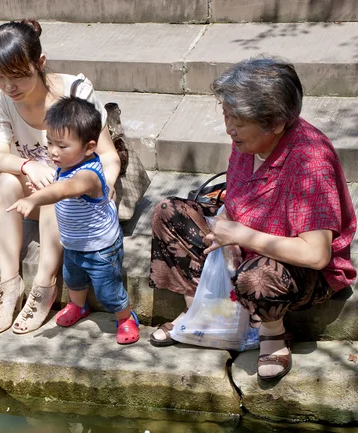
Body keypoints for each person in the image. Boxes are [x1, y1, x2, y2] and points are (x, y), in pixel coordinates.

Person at [149, 57, 356, 381]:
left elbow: (316, 255)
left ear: (274, 123)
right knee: (168, 213)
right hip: (245, 236)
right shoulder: (247, 142)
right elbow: (235, 194)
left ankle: (273, 334)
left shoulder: (310, 160)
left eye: (238, 121)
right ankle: (199, 312)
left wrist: (241, 236)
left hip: (296, 268)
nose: (229, 128)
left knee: (257, 279)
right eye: (227, 116)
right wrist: (227, 226)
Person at [0, 19, 120, 334]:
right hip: (33, 179)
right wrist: (28, 166)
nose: (8, 87)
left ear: (39, 63)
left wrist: (105, 186)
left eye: (17, 76)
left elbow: (108, 156)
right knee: (5, 181)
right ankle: (9, 283)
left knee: (58, 188)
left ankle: (44, 285)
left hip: (81, 184)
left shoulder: (74, 92)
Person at [7, 96, 140, 345]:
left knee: (108, 290)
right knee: (74, 279)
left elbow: (65, 190)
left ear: (89, 147)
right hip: (73, 243)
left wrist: (35, 200)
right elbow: (60, 188)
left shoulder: (88, 175)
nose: (53, 151)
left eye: (62, 146)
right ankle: (78, 306)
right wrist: (40, 192)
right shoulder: (64, 166)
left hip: (101, 248)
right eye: (50, 143)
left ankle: (125, 317)